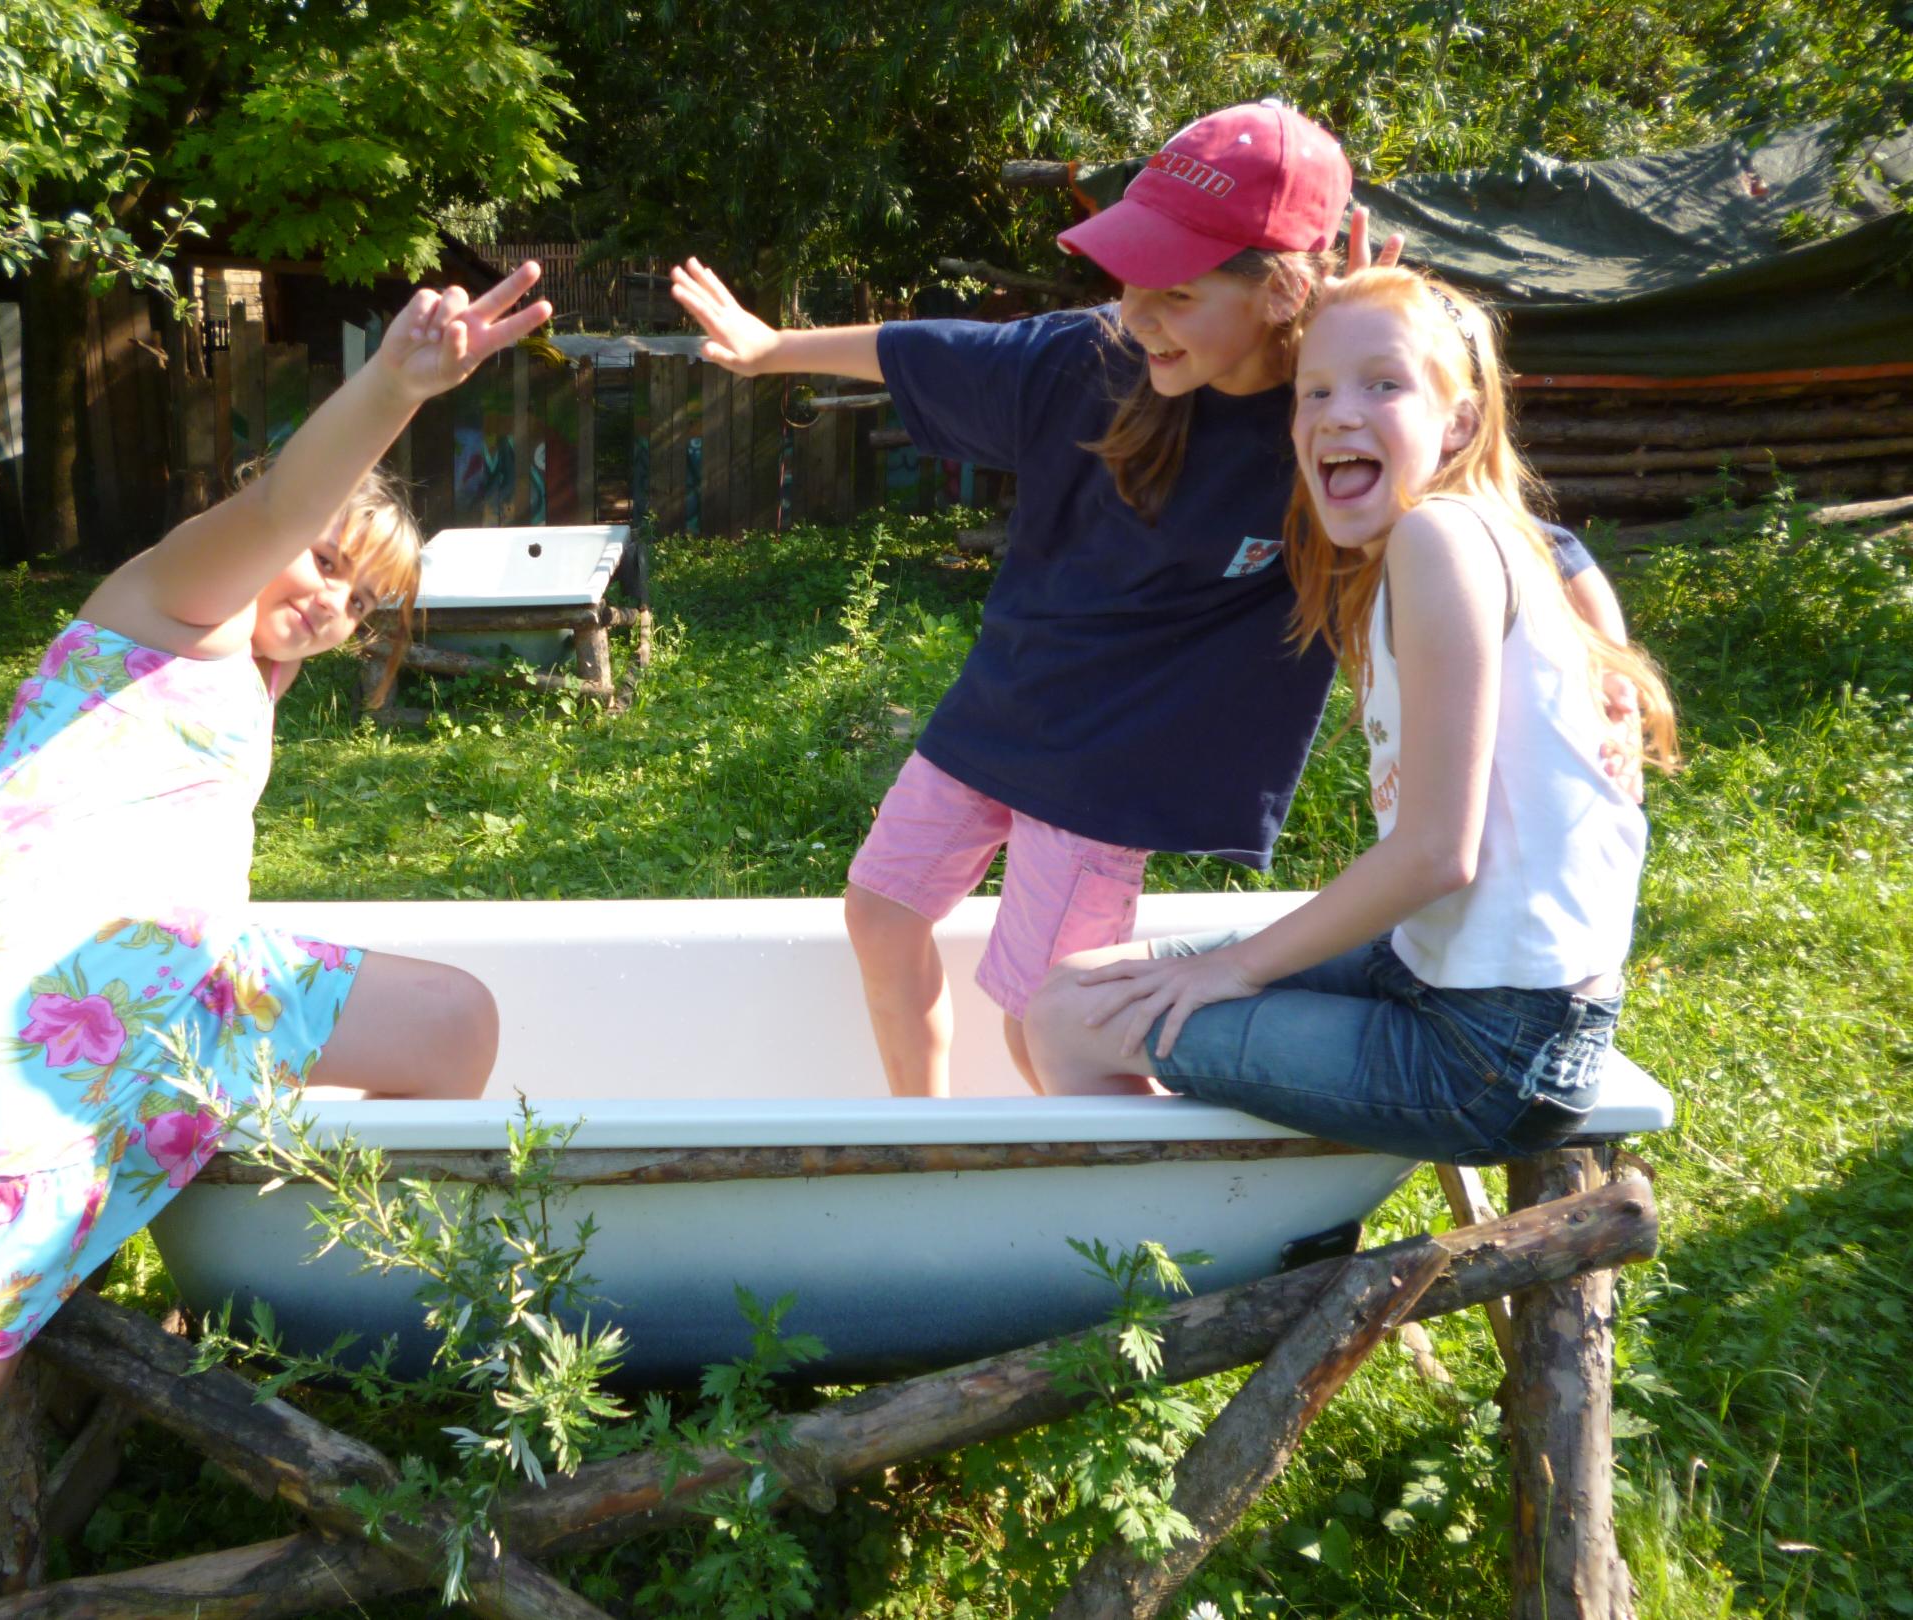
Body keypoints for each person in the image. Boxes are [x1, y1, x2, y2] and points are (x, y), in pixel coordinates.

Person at [0, 267, 554, 1620]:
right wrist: (395, 385)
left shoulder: (239, 681)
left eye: (365, 599)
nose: (334, 599)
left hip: (145, 999)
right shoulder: (171, 607)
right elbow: (278, 508)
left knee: (452, 1024)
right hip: (4, 1010)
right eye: (329, 563)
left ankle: (323, 1308)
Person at [671, 102, 1627, 1098]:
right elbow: (931, 348)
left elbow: (1517, 529)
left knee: (1045, 1020)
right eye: (1129, 282)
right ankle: (925, 1139)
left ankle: (1118, 1185)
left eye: (1175, 292)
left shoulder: (1327, 417)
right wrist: (772, 348)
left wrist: (1608, 664)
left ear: (1282, 291)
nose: (1137, 315)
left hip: (1117, 765)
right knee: (881, 911)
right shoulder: (1091, 360)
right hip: (1006, 705)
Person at [1023, 265, 1679, 1164]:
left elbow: (1437, 853)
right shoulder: (1472, 532)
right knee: (1076, 987)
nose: (1337, 415)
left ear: (1458, 422)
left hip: (1490, 1049)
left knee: (1073, 1020)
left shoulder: (1438, 537)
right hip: (1446, 974)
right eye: (1315, 390)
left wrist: (1229, 970)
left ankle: (1166, 1244)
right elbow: (1564, 556)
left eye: (1383, 385)